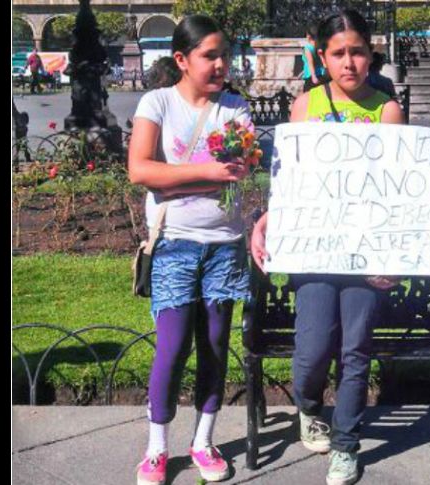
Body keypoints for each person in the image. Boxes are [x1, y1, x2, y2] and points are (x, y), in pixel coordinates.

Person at [250, 10, 430, 485]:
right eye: (339, 53)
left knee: (355, 351)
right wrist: (267, 219)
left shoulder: (387, 109)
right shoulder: (305, 106)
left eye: (358, 51)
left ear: (371, 54)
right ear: (322, 55)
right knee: (309, 352)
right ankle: (309, 406)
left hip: (369, 253)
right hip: (316, 249)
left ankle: (346, 446)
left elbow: (405, 191)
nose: (349, 62)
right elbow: (292, 184)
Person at [127, 14, 255, 485]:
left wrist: (183, 175)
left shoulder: (236, 108)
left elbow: (241, 165)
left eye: (225, 54)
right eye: (209, 56)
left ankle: (203, 441)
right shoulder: (157, 102)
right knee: (173, 345)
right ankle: (156, 448)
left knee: (215, 347)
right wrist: (210, 173)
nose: (221, 64)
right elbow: (140, 170)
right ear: (182, 59)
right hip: (176, 244)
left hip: (224, 244)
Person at [300, 24, 326, 93]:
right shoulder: (319, 46)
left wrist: (314, 77)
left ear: (308, 36)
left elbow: (310, 63)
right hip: (321, 74)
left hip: (311, 76)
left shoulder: (308, 48)